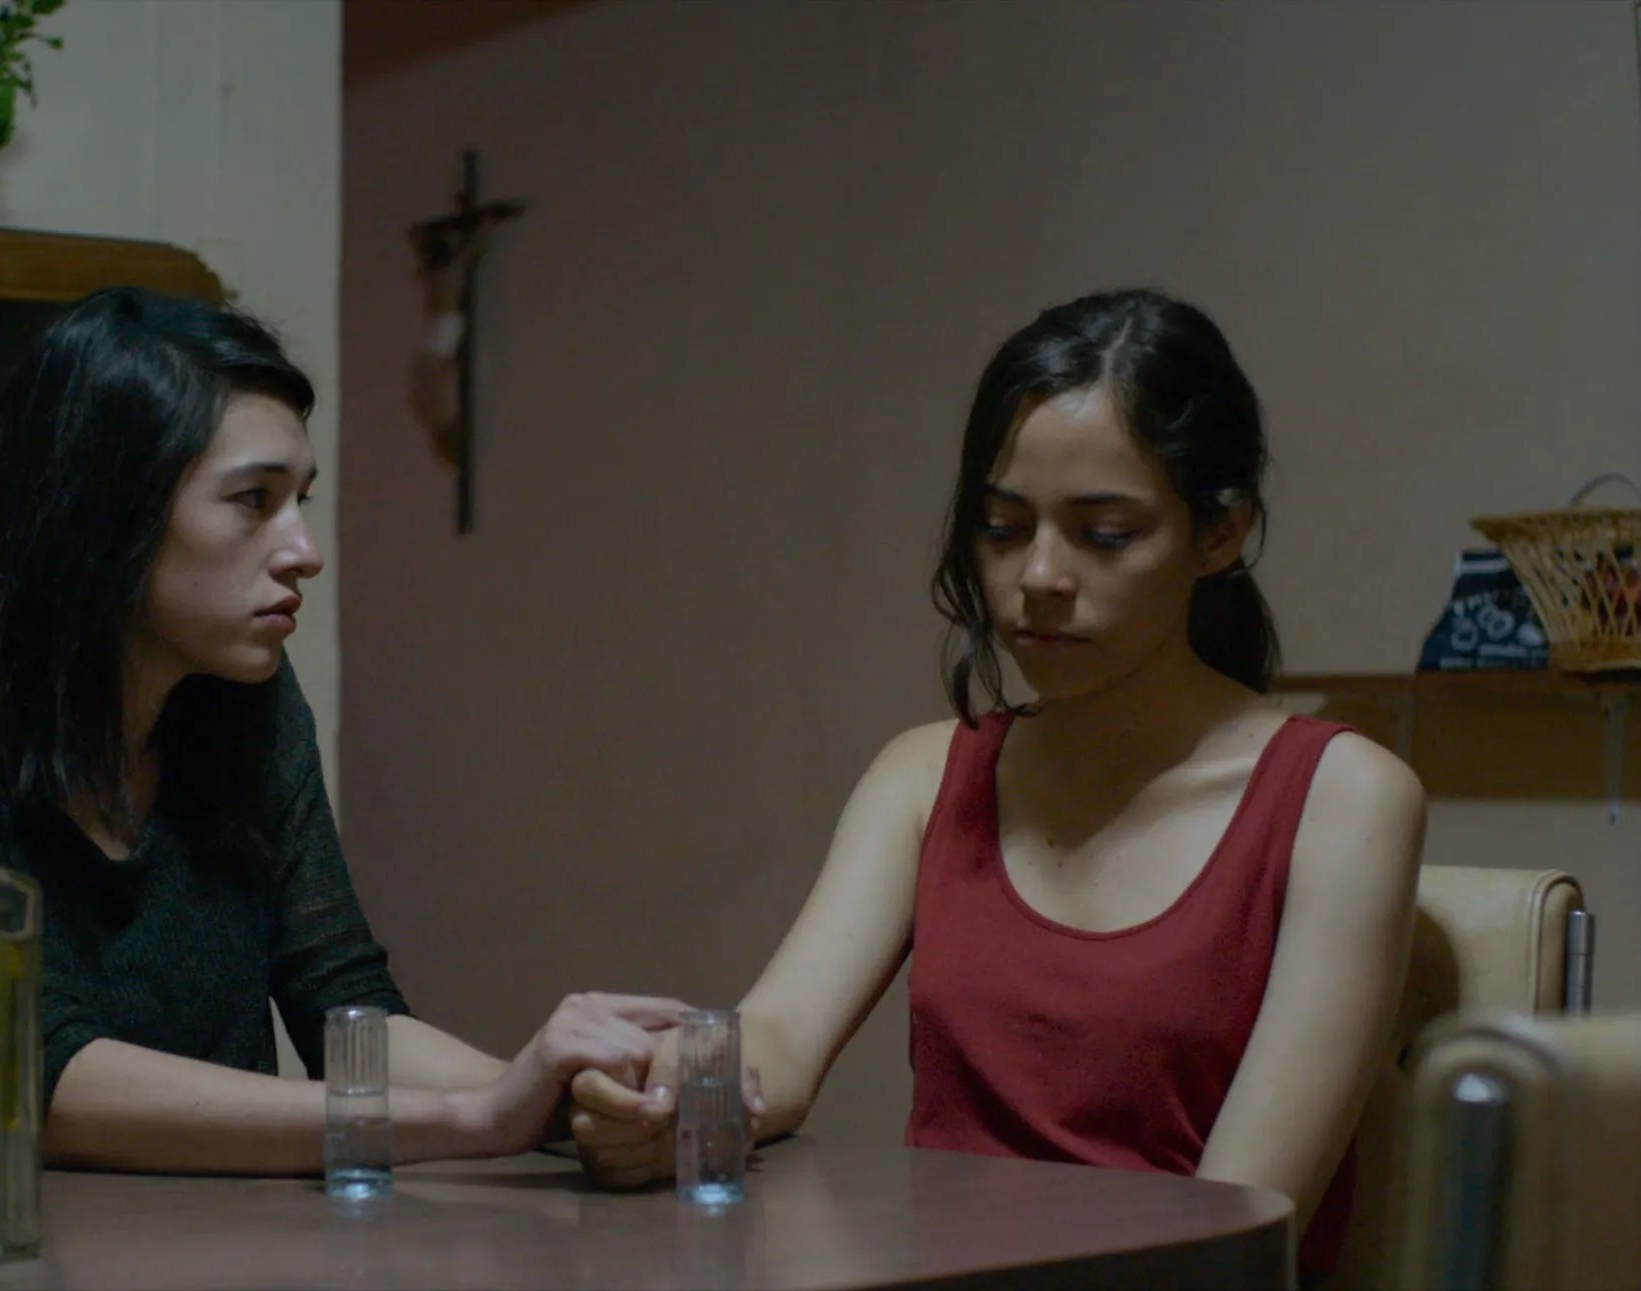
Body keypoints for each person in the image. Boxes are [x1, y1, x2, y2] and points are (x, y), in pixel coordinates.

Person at [568, 288, 1424, 1282]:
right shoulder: (925, 773)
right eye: (1004, 526)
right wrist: (668, 1097)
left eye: (1105, 533)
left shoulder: (1342, 798)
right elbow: (783, 1036)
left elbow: (1237, 1221)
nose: (1039, 576)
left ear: (1219, 533)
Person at [0, 287, 679, 1172]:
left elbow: (347, 1009)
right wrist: (480, 1115)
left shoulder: (243, 704)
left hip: (229, 1233)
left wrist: (572, 1100)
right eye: (253, 500)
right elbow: (23, 1080)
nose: (304, 551)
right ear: (106, 513)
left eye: (299, 500)